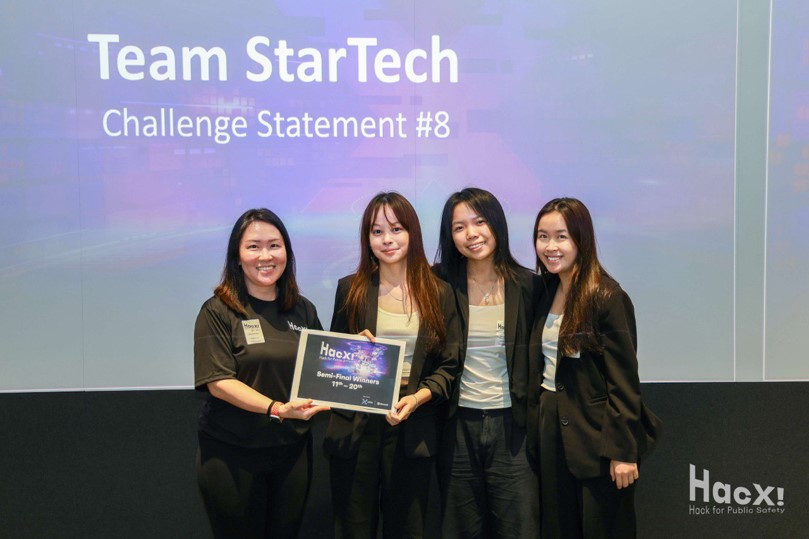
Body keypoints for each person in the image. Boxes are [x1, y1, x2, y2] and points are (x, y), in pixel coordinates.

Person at [324, 192, 460, 539]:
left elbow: (448, 366)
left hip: (411, 425)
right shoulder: (351, 290)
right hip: (357, 427)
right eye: (377, 231)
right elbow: (331, 363)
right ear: (367, 240)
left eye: (396, 229)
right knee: (354, 528)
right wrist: (354, 351)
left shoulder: (439, 293)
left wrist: (414, 400)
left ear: (412, 232)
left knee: (409, 528)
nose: (387, 239)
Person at [527, 198, 662, 538]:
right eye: (543, 237)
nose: (550, 246)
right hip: (551, 433)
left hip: (598, 441)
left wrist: (622, 453)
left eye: (561, 237)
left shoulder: (607, 296)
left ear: (581, 240)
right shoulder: (545, 291)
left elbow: (624, 383)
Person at [194, 208, 329, 539]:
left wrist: (361, 352)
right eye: (253, 246)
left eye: (274, 245)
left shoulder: (302, 309)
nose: (265, 256)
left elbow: (324, 367)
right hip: (232, 453)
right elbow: (220, 383)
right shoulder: (218, 311)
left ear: (287, 253)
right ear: (237, 257)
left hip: (291, 451)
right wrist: (278, 409)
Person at [433, 187, 540, 538]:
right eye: (459, 227)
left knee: (519, 528)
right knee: (459, 529)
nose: (471, 234)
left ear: (496, 224)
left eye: (479, 222)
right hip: (456, 424)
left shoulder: (529, 286)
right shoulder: (439, 283)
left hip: (514, 428)